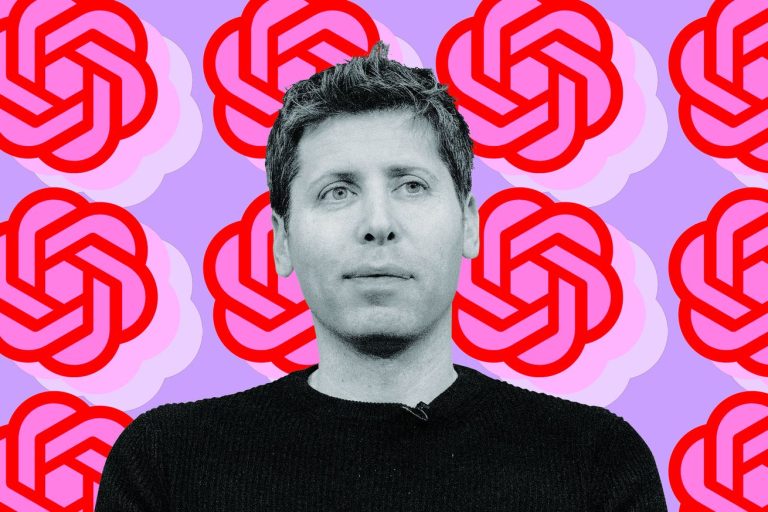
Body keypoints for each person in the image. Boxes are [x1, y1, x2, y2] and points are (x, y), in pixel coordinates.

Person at [95, 42, 668, 511]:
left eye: (411, 185)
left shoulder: (594, 462)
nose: (377, 224)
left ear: (469, 225)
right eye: (337, 191)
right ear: (282, 240)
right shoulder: (167, 464)